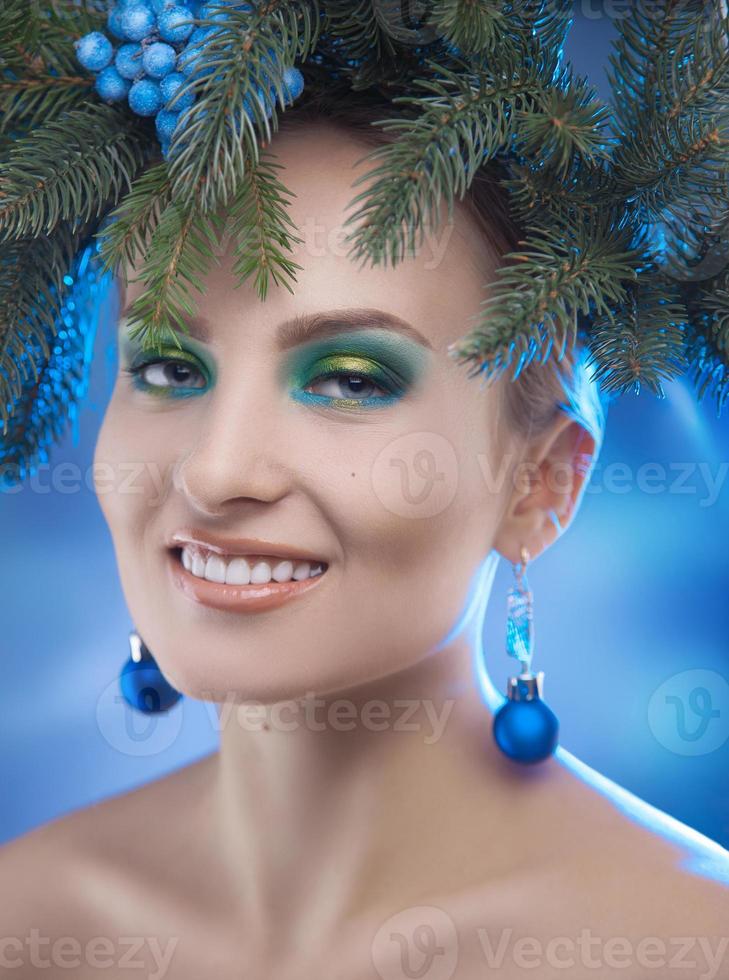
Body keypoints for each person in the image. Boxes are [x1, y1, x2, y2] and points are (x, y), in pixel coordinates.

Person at [1, 105, 727, 979]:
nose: (215, 470)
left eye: (348, 380)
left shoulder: (688, 942)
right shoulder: (30, 919)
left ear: (541, 484)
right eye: (168, 368)